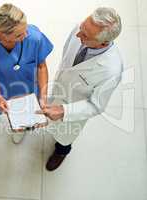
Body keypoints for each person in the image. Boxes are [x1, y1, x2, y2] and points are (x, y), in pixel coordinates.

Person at [37, 7, 123, 171]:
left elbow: (97, 105)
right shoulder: (81, 29)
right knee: (49, 122)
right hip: (59, 89)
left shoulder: (111, 70)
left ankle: (62, 152)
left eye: (84, 35)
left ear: (103, 43)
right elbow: (66, 55)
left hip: (73, 109)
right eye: (81, 28)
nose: (78, 35)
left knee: (64, 137)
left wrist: (64, 111)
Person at [0, 3, 53, 144]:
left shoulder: (35, 38)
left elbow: (41, 66)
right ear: (1, 33)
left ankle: (20, 128)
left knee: (23, 118)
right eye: (19, 34)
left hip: (28, 87)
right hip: (0, 86)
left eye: (25, 29)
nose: (26, 35)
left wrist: (43, 98)